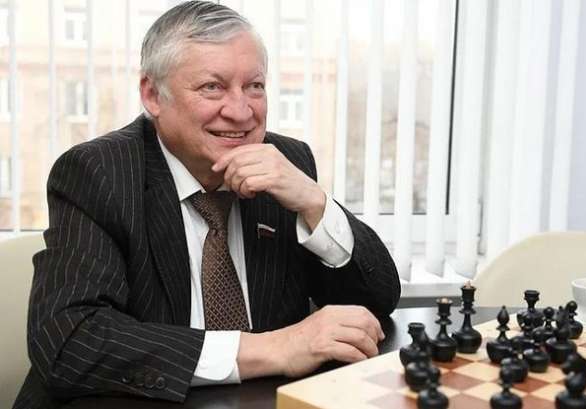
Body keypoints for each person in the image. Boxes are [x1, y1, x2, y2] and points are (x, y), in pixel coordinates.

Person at [13, 2, 400, 408]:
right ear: (152, 95)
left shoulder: (287, 163)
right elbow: (71, 340)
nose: (241, 112)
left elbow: (378, 300)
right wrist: (276, 348)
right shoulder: (99, 173)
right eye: (212, 87)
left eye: (255, 86)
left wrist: (314, 203)